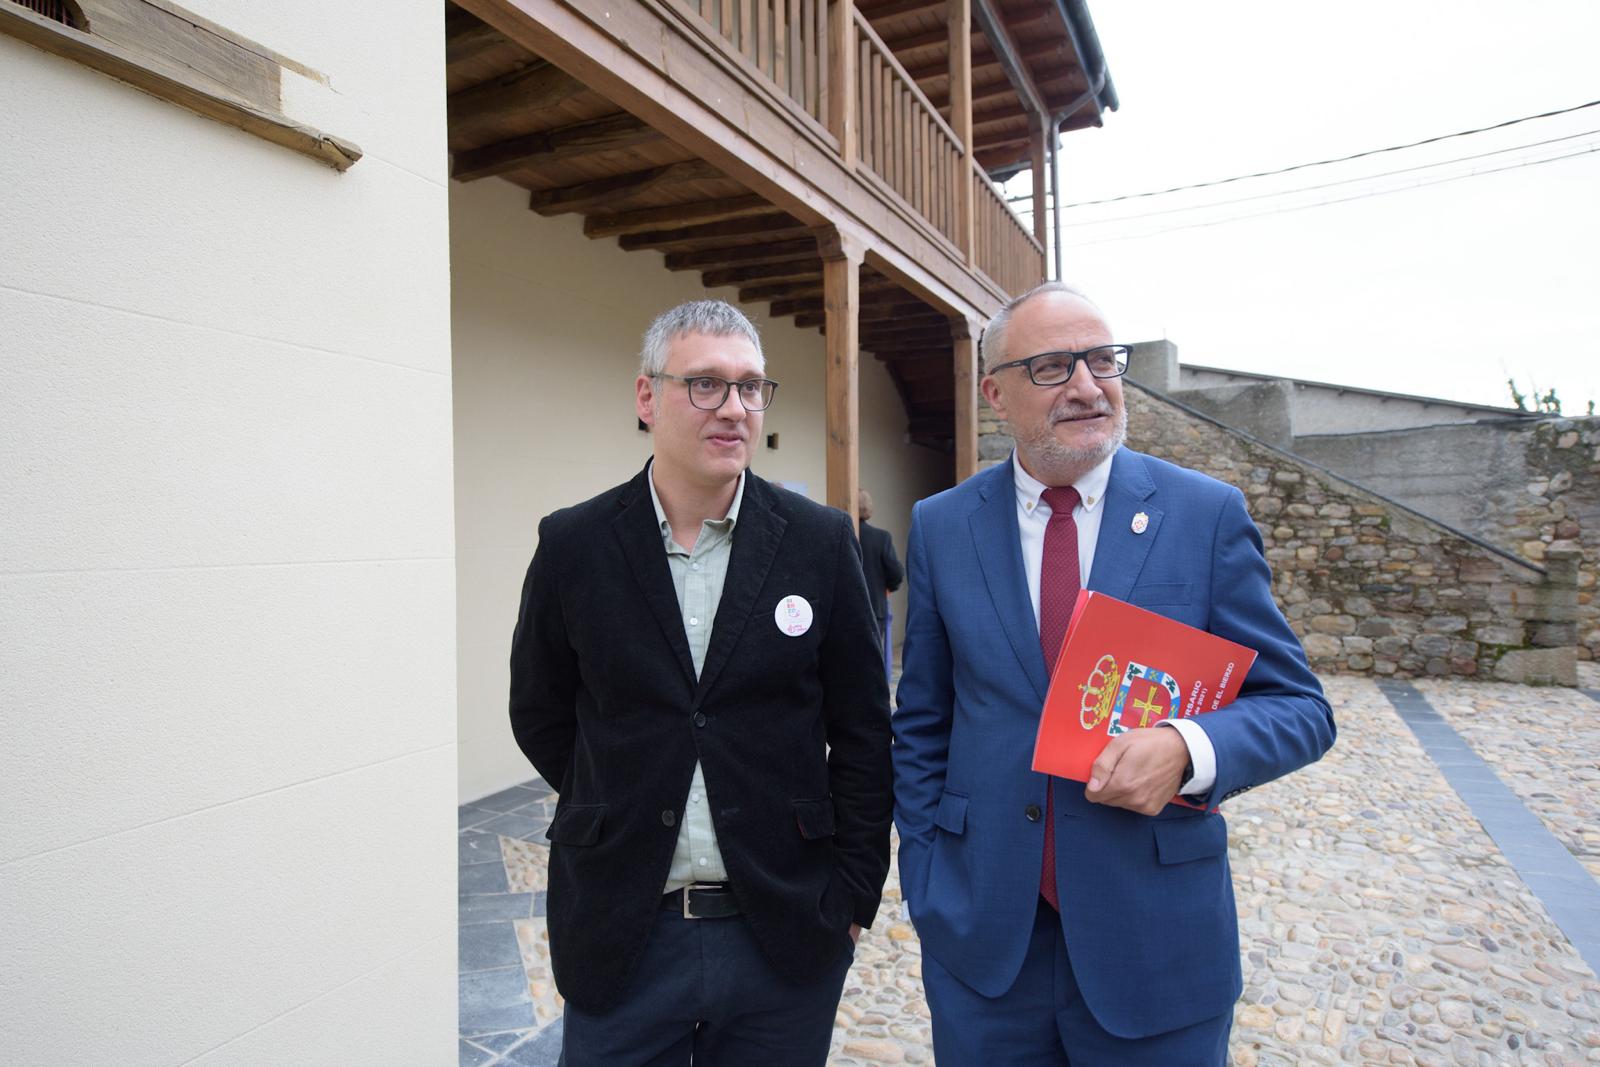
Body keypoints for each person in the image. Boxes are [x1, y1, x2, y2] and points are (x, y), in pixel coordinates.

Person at [892, 282, 1335, 1065]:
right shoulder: (942, 525)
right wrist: (928, 872)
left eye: (1102, 360)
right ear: (996, 392)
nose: (1089, 385)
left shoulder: (1205, 515)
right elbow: (924, 718)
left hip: (1156, 941)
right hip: (987, 943)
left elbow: (1299, 706)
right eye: (1055, 366)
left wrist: (1188, 747)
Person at [508, 299, 893, 1066]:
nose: (735, 409)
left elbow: (862, 729)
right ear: (647, 397)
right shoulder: (574, 544)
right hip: (624, 927)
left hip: (782, 932)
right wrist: (620, 793)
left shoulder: (818, 543)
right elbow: (540, 710)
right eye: (706, 385)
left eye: (751, 387)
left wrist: (850, 896)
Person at [855, 488, 904, 683]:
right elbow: (896, 573)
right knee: (873, 656)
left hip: (845, 608)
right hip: (875, 606)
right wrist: (889, 587)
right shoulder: (881, 537)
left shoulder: (840, 532)